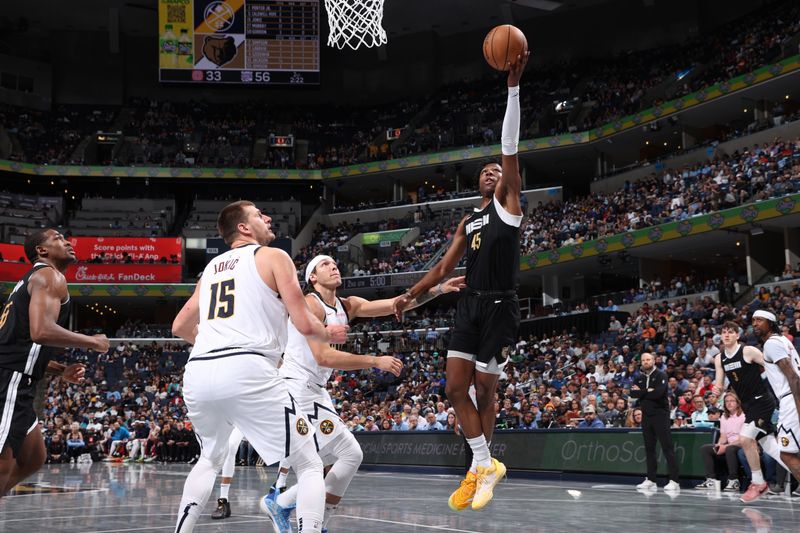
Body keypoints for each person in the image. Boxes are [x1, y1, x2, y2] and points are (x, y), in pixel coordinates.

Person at [393, 51, 530, 512]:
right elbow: (441, 270)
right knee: (455, 388)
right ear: (478, 185)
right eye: (485, 172)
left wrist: (512, 88)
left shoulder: (509, 206)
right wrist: (411, 294)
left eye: (497, 171)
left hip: (502, 308)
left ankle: (479, 472)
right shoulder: (468, 221)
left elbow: (510, 147)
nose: (493, 172)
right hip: (469, 304)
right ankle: (484, 463)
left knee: (486, 391)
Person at [171, 201, 348, 533]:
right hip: (247, 367)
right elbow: (305, 324)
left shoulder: (210, 269)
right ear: (244, 227)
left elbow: (179, 327)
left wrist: (216, 345)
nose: (268, 218)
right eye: (258, 215)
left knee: (208, 459)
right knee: (309, 463)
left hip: (199, 371)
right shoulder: (274, 256)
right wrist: (329, 331)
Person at [265, 254, 462, 531]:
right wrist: (375, 360)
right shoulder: (310, 304)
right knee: (344, 453)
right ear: (312, 277)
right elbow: (323, 357)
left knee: (344, 455)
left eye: (335, 263)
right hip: (296, 387)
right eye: (325, 264)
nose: (333, 266)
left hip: (315, 390)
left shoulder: (349, 305)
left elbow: (397, 304)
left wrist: (438, 289)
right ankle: (293, 509)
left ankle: (286, 503)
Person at [0, 229, 109, 497]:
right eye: (58, 239)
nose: (68, 241)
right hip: (9, 380)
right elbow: (41, 331)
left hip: (16, 377)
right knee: (3, 463)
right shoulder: (49, 275)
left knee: (34, 456)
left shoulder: (32, 280)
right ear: (42, 251)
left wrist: (60, 371)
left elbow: (22, 343)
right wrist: (92, 341)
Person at [712, 319, 789, 503]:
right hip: (747, 405)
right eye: (724, 332)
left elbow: (773, 364)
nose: (727, 334)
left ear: (737, 335)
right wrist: (717, 391)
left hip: (762, 401)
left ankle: (758, 483)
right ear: (721, 336)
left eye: (731, 331)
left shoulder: (748, 351)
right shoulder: (719, 358)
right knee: (773, 448)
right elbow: (720, 384)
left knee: (746, 438)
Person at [751, 310, 800, 490]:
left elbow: (793, 378)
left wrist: (798, 407)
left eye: (760, 320)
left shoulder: (772, 344)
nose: (755, 323)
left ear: (770, 323)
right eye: (753, 320)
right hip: (792, 397)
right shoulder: (783, 341)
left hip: (791, 399)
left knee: (786, 454)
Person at [630, 352, 680, 493]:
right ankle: (651, 480)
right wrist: (647, 391)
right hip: (647, 416)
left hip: (661, 415)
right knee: (649, 449)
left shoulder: (661, 375)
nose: (646, 362)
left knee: (667, 448)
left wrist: (642, 392)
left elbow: (658, 394)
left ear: (654, 361)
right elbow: (632, 394)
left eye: (648, 359)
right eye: (643, 360)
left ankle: (674, 481)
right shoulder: (639, 378)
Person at [695, 391, 745, 491]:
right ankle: (711, 480)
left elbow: (742, 439)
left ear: (738, 403)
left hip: (741, 444)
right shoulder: (724, 417)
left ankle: (733, 480)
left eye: (732, 401)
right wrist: (719, 445)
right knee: (706, 448)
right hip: (729, 445)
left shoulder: (744, 416)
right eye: (727, 401)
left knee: (730, 449)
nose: (729, 403)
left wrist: (725, 446)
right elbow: (723, 436)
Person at [210, 427, 243, 520]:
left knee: (285, 443)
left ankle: (280, 487)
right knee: (230, 446)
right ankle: (223, 499)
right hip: (231, 420)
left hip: (251, 417)